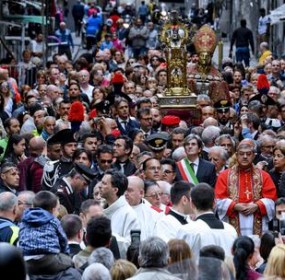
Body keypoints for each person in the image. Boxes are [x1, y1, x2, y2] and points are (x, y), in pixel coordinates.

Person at [215, 141, 277, 236]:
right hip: (232, 221)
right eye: (241, 154)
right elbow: (218, 200)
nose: (245, 156)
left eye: (248, 154)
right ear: (236, 155)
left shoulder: (264, 176)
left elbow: (272, 200)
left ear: (253, 156)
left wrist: (257, 205)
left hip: (257, 221)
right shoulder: (224, 176)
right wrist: (234, 206)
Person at [177, 183, 238, 260]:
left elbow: (180, 263)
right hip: (226, 271)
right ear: (214, 203)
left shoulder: (187, 231)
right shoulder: (231, 230)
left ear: (191, 204)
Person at [19, 191, 73, 275]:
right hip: (48, 260)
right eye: (58, 209)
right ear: (53, 209)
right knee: (69, 261)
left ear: (33, 206)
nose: (58, 213)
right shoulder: (53, 220)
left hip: (27, 261)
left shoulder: (23, 220)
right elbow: (63, 242)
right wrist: (65, 256)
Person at [125, 176, 160, 241]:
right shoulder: (116, 210)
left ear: (141, 193)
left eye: (129, 190)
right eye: (124, 190)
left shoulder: (154, 215)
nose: (125, 194)